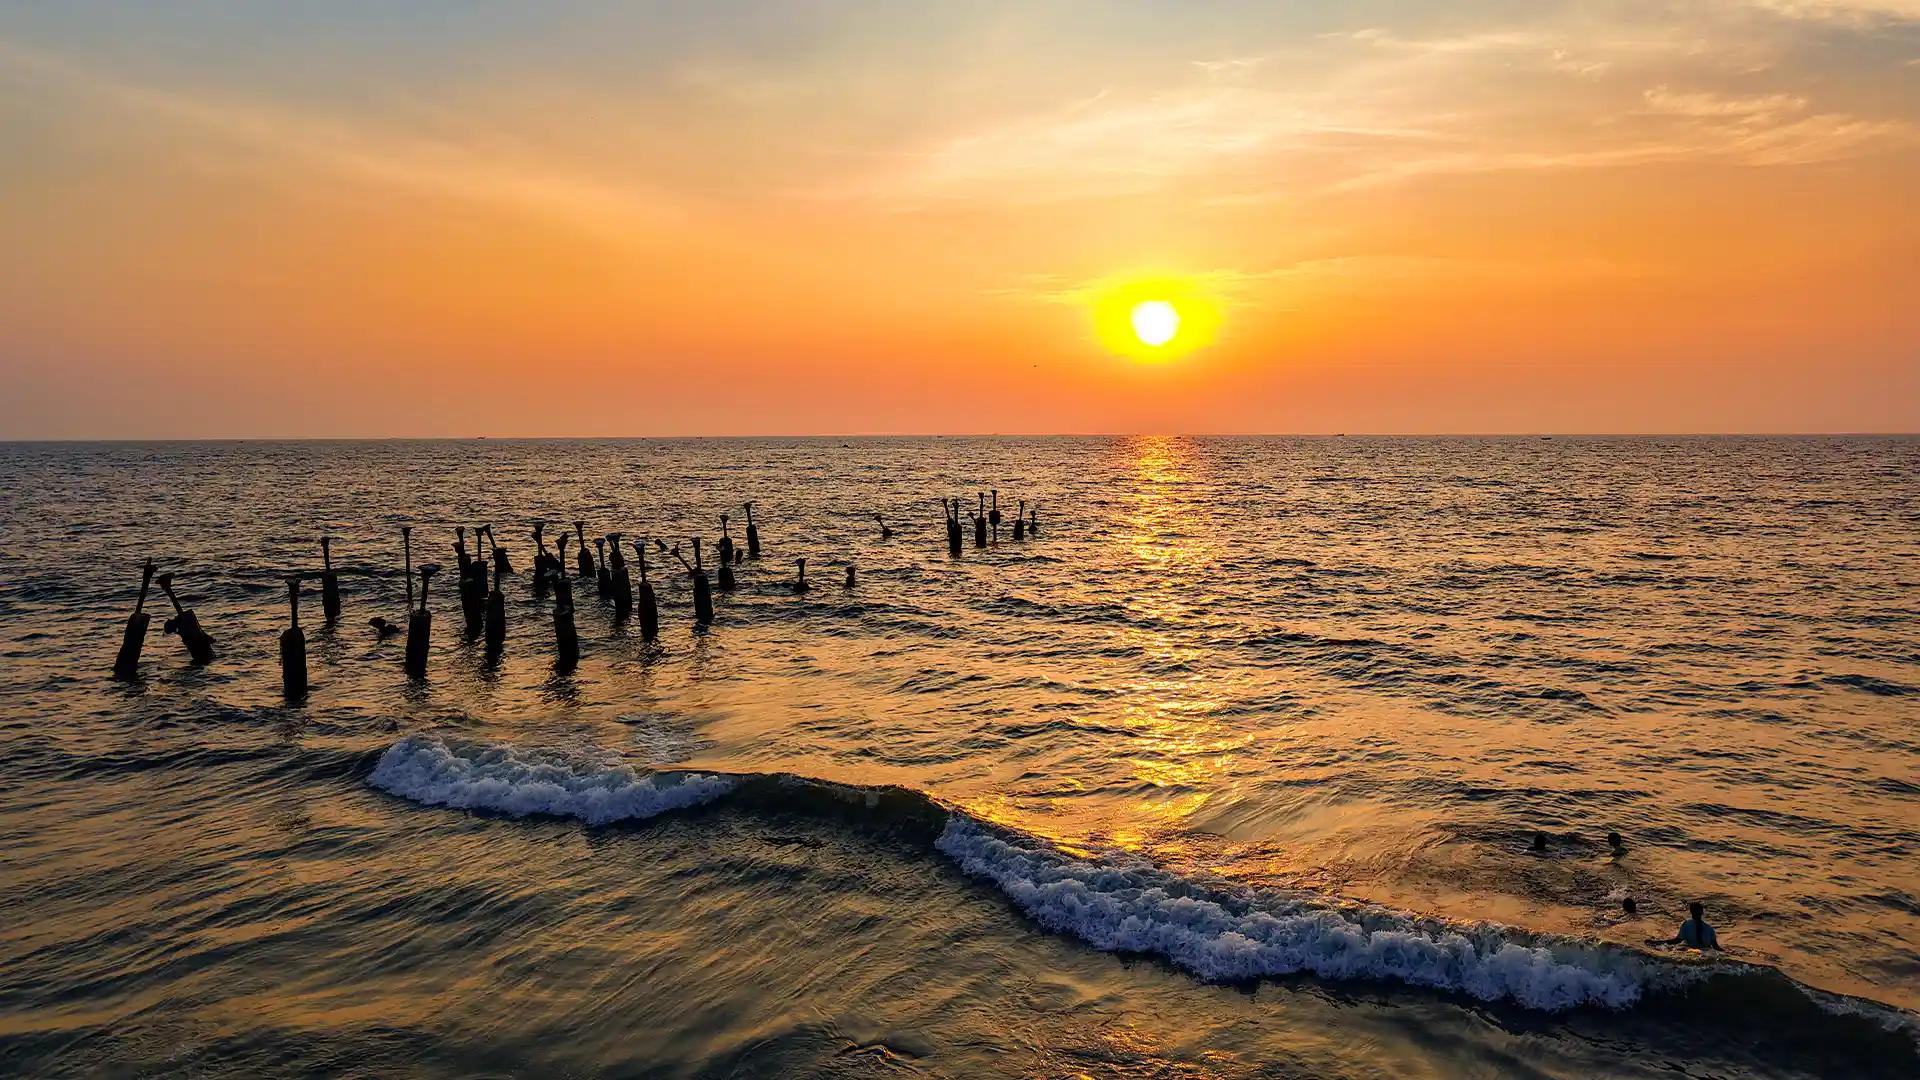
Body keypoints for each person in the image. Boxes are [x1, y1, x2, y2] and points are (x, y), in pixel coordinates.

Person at [1648, 902, 1720, 950]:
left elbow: (1676, 941)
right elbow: (1716, 947)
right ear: (1702, 912)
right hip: (1706, 955)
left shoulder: (1686, 925)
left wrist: (1657, 942)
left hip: (1690, 953)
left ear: (1691, 912)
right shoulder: (1709, 929)